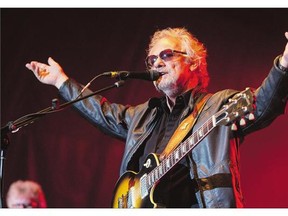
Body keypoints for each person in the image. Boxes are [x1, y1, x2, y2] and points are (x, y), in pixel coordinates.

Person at [25, 27, 288, 208]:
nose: (157, 63)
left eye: (166, 55)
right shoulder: (143, 115)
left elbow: (261, 104)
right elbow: (102, 113)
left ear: (194, 62)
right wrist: (61, 81)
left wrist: (284, 64)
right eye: (152, 60)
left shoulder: (217, 106)